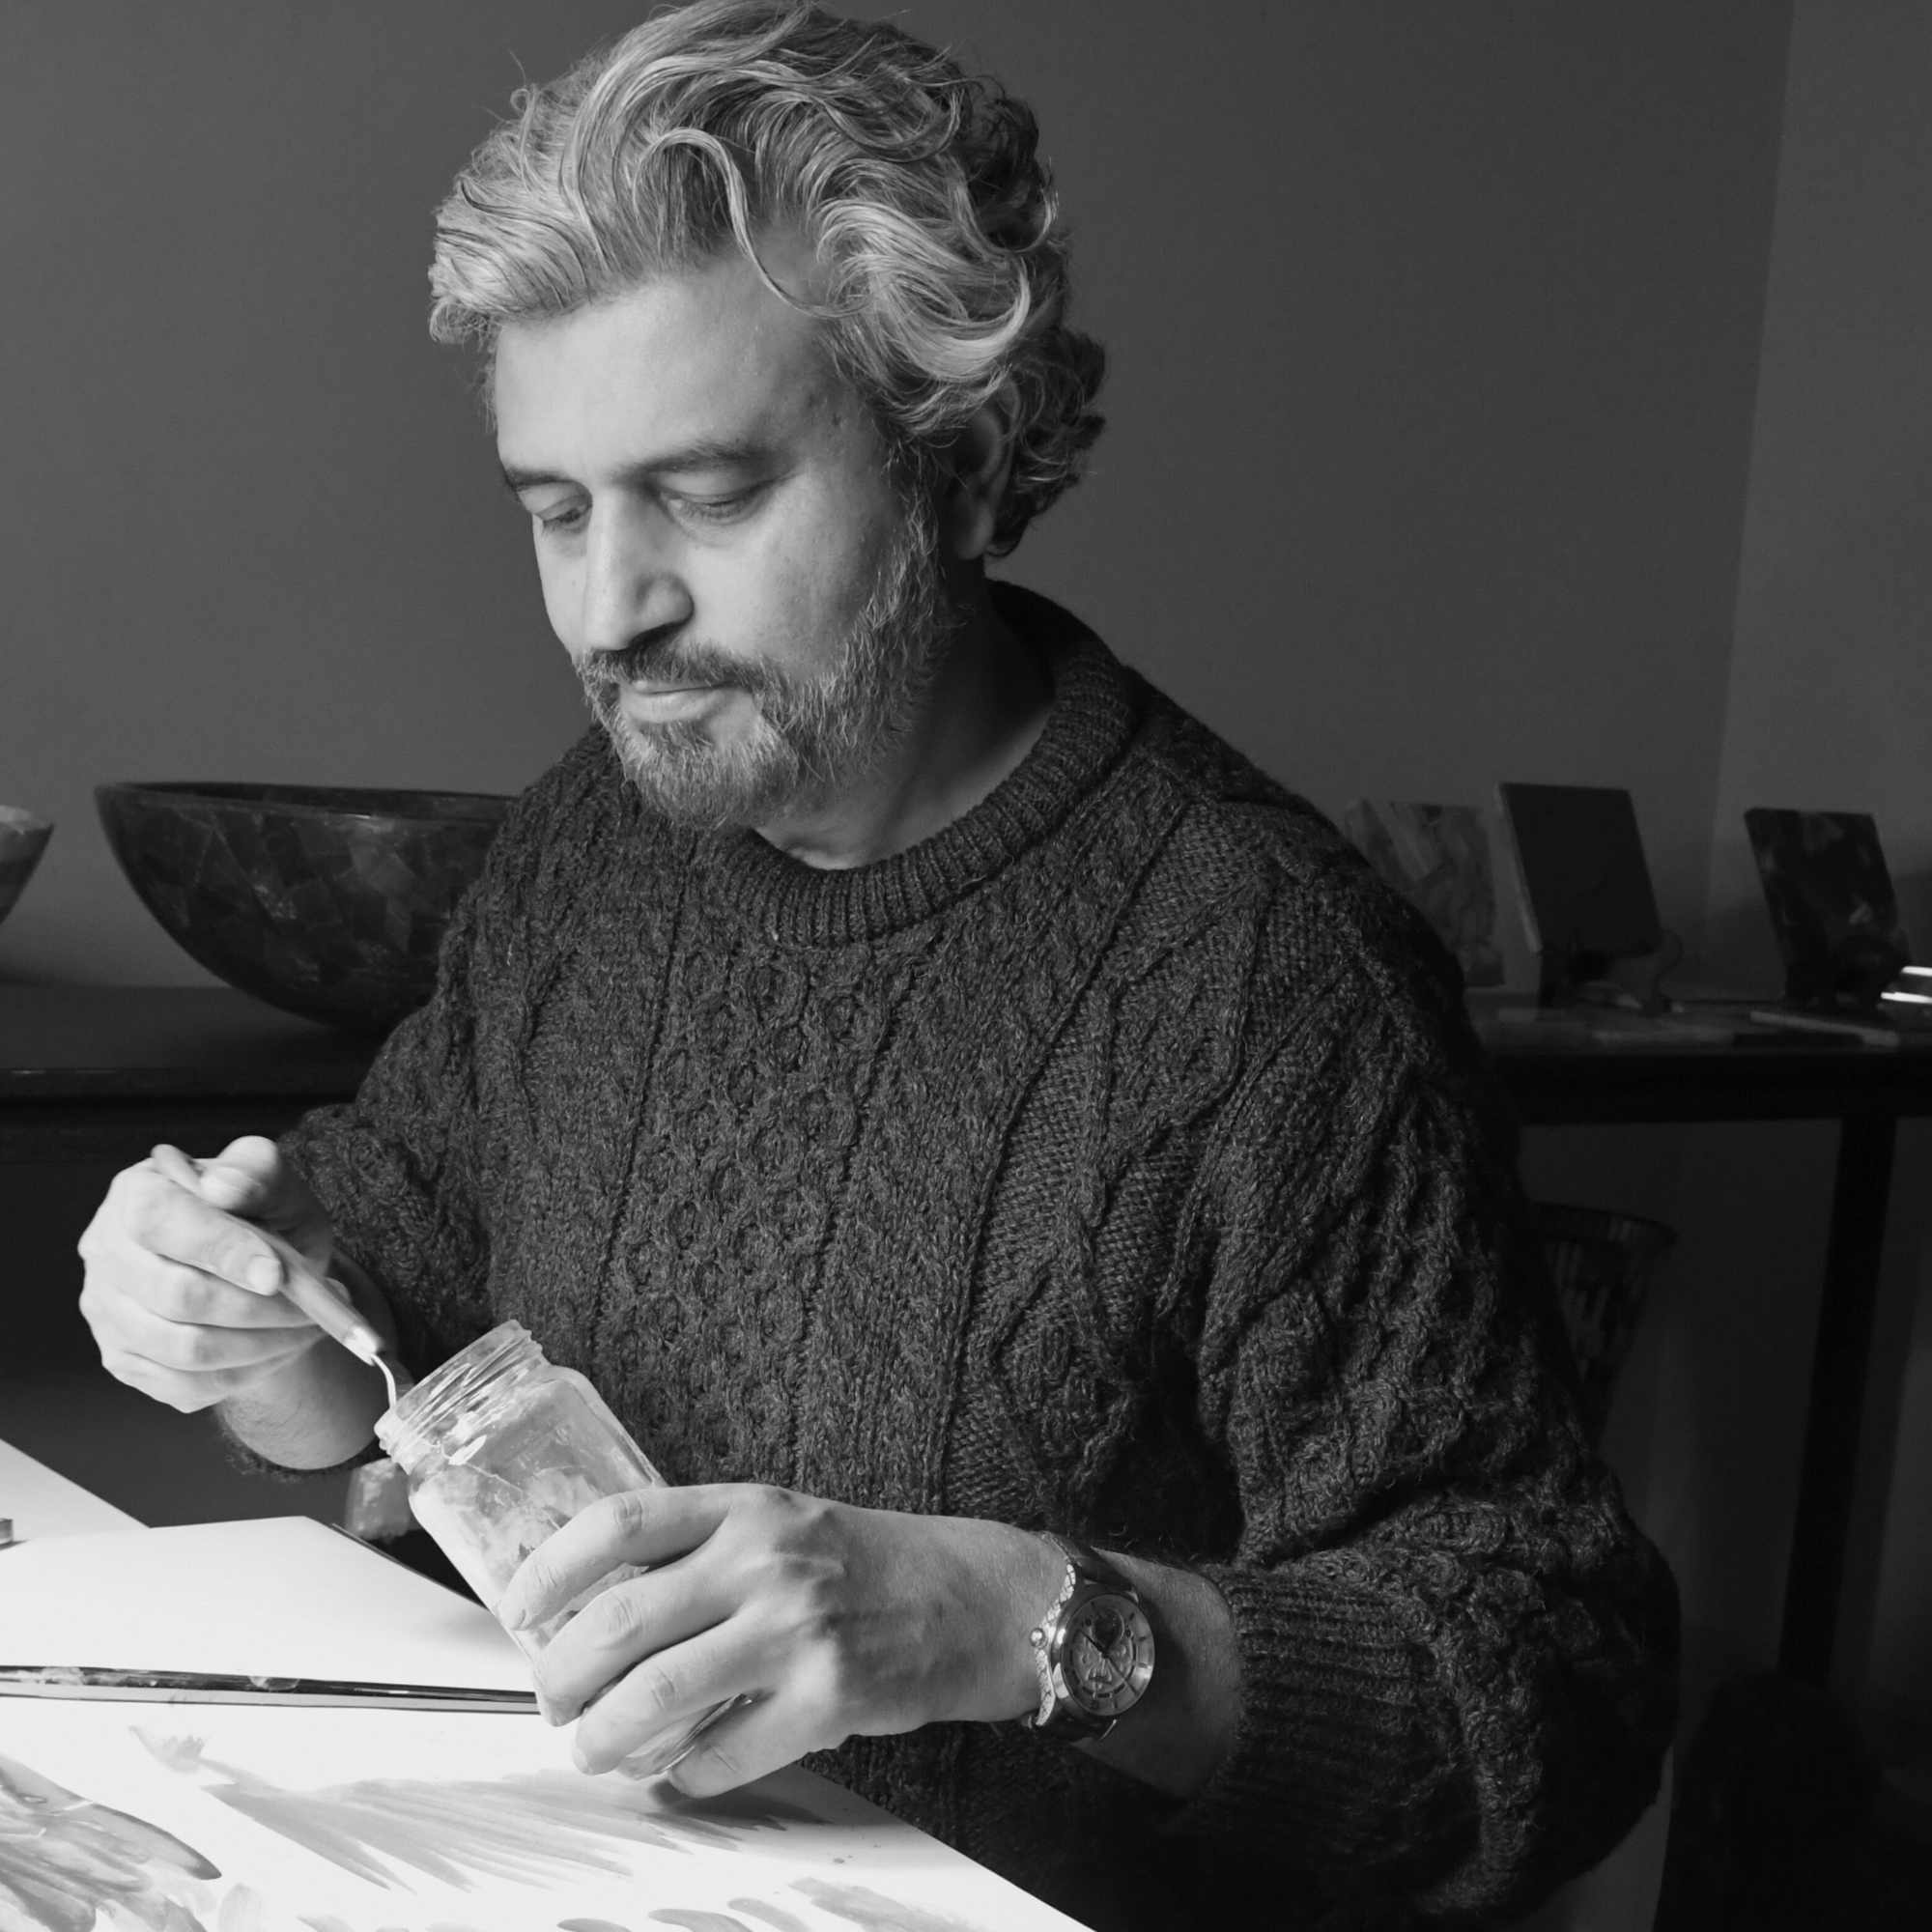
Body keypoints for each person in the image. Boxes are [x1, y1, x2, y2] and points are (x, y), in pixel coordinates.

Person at [76, 3, 1678, 1925]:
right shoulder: (596, 843)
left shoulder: (1271, 982)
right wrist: (246, 1321)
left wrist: (1030, 1617)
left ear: (959, 463)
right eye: (555, 508)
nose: (612, 609)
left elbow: (1551, 1689)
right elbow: (392, 1289)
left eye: (712, 490)